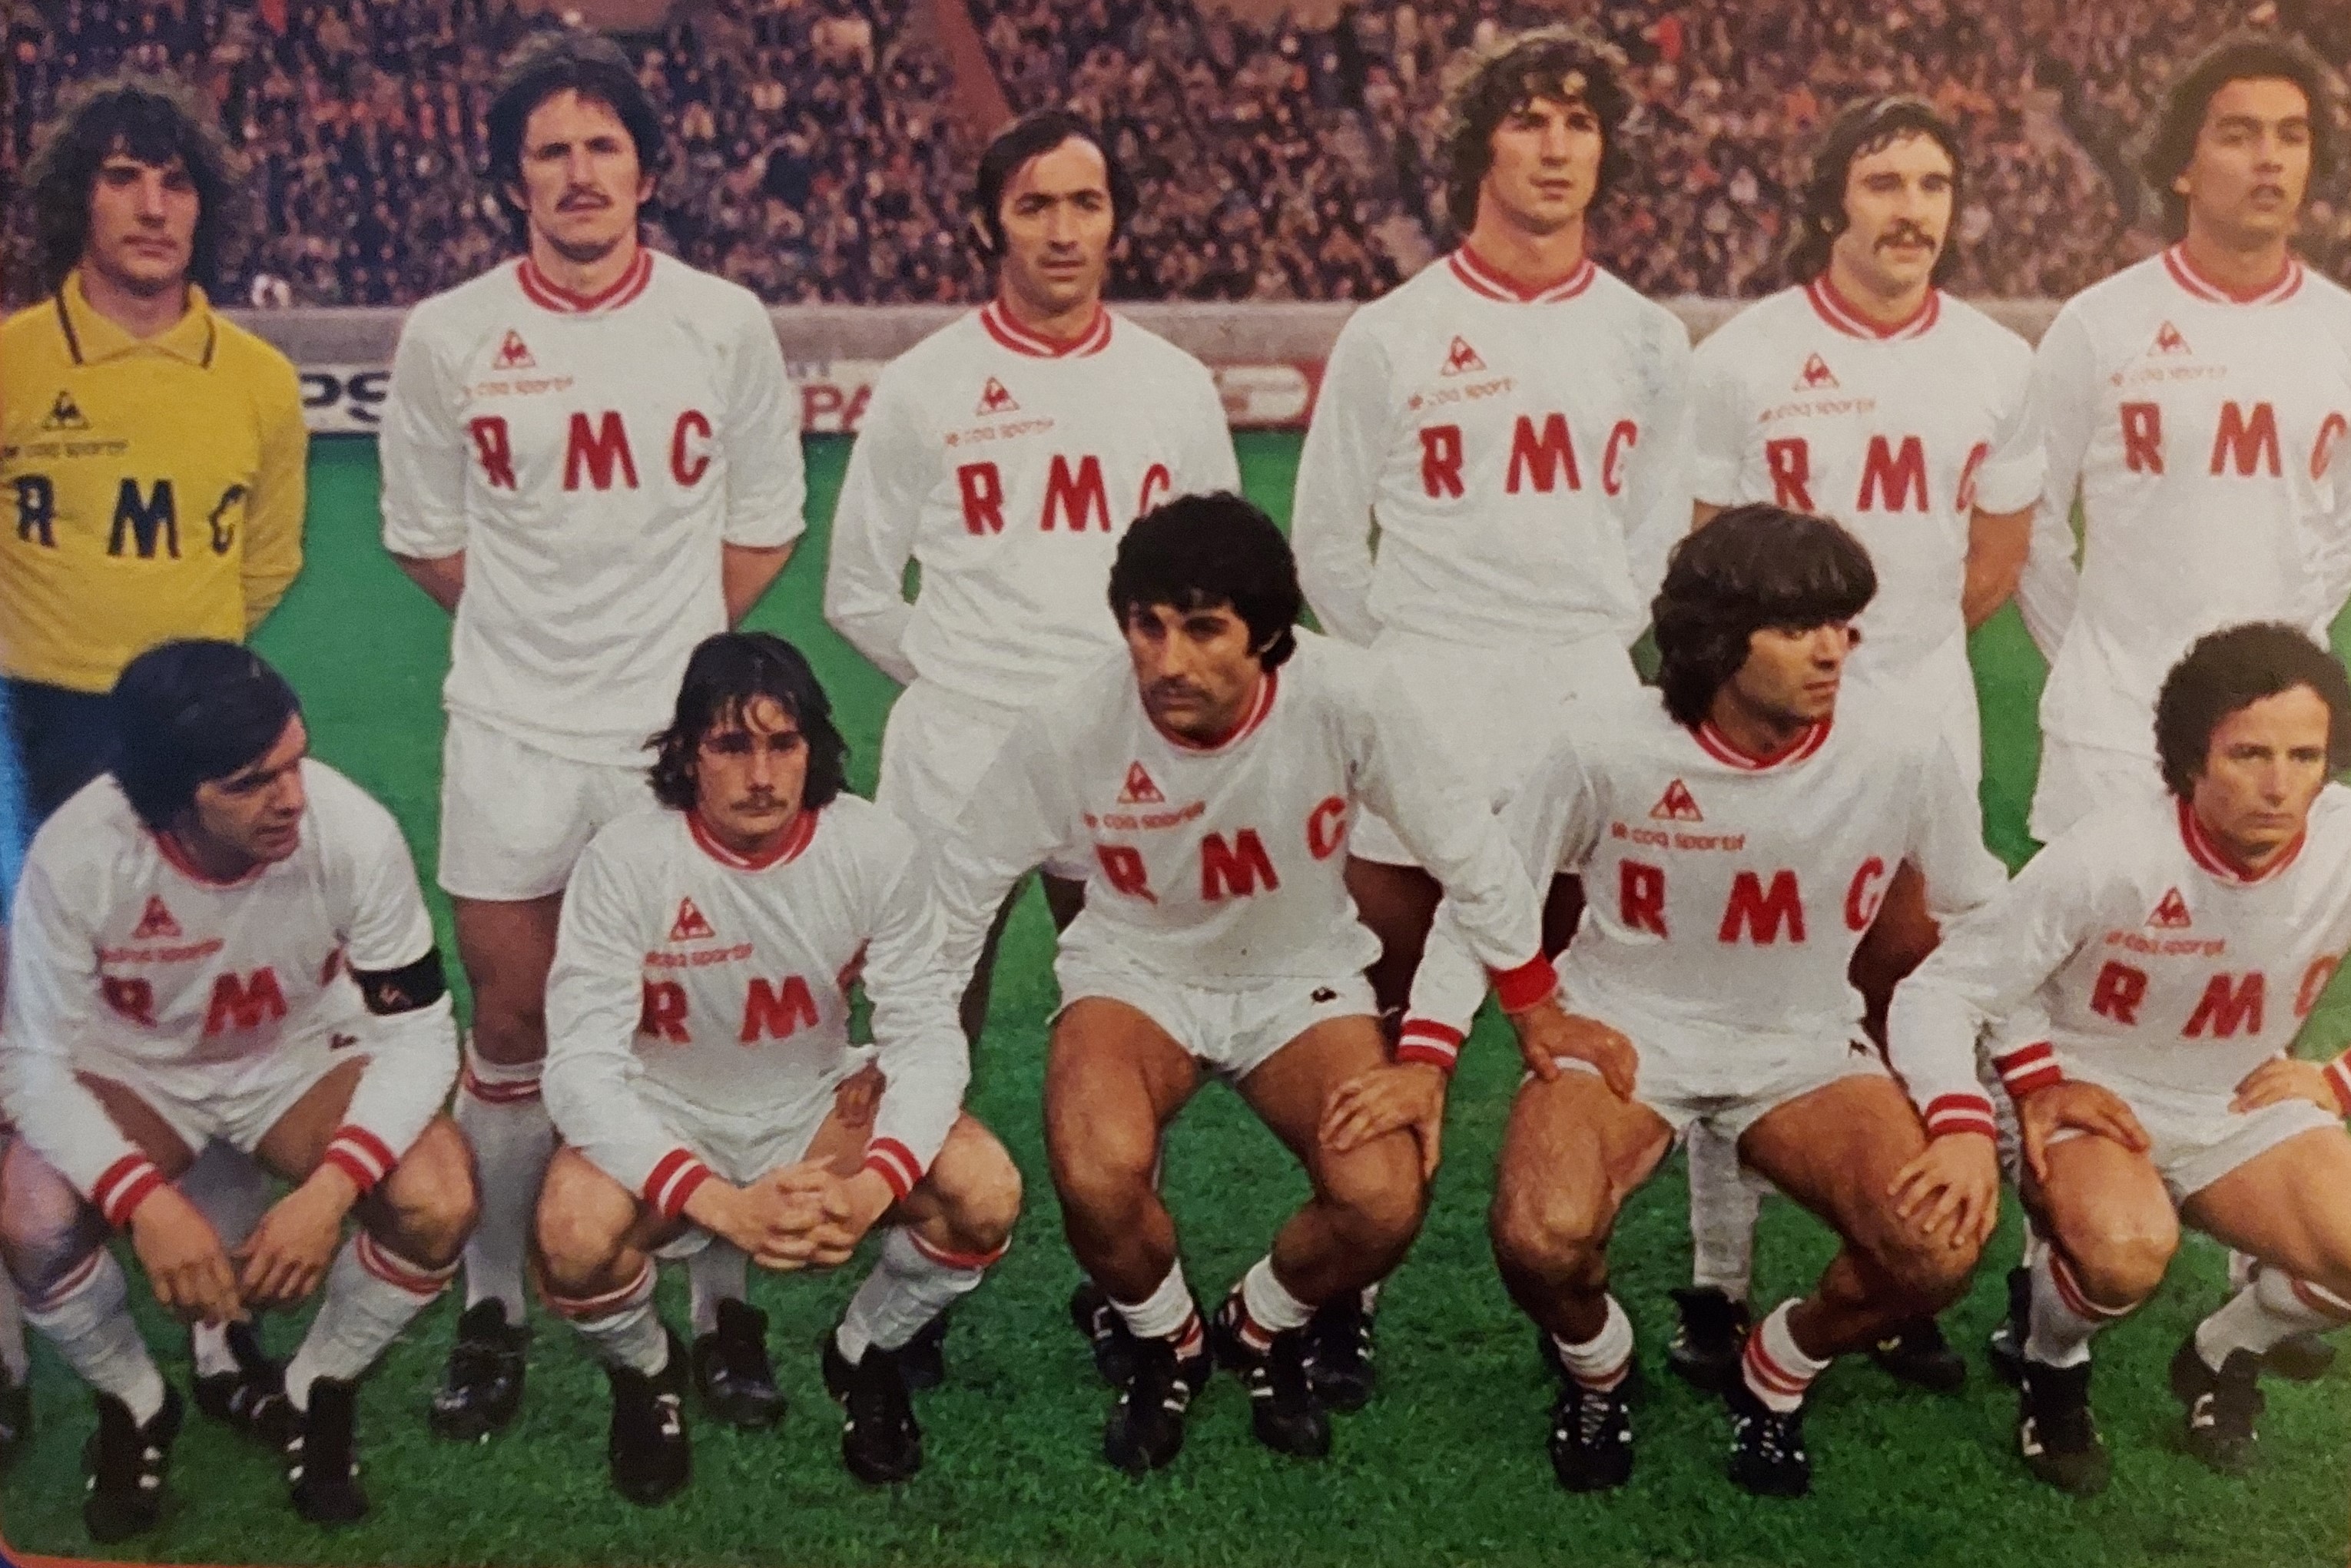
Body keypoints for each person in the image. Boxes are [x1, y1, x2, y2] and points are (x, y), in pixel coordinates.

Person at [930, 493, 1557, 1470]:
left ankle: (1258, 1325)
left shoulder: (1350, 695)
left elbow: (1473, 856)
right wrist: (914, 1054)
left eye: (1202, 628)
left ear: (1267, 634)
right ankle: (1168, 1342)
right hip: (1137, 970)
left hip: (1299, 978)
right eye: (1146, 625)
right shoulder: (1071, 720)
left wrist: (1514, 1013)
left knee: (1382, 1196)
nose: (1166, 660)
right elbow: (962, 887)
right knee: (1095, 1169)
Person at [378, 30, 807, 1440]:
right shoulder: (449, 334)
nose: (578, 173)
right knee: (510, 1029)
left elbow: (766, 522)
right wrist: (539, 631)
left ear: (646, 170)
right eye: (550, 151)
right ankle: (494, 1307)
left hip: (670, 748)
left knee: (695, 1022)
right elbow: (426, 539)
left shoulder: (721, 322)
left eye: (602, 146)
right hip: (509, 731)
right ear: (515, 179)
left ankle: (722, 1307)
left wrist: (667, 653)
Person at [1411, 506, 2006, 1496]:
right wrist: (1432, 1050)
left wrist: (1971, 1111)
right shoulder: (1605, 742)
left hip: (1804, 1045)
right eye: (1797, 627)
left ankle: (1780, 1367)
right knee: (1540, 1235)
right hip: (1627, 1031)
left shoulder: (1900, 747)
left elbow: (1985, 912)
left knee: (1936, 1251)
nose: (1832, 651)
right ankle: (1599, 1366)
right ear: (1717, 638)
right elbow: (1488, 896)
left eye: (1842, 624)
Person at [1289, 24, 1691, 1399]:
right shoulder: (1394, 330)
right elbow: (1327, 543)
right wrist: (1410, 667)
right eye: (1529, 119)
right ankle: (1354, 1281)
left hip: (1583, 693)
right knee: (1390, 1011)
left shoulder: (1649, 336)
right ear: (1480, 146)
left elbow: (1653, 539)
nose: (1557, 145)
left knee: (1567, 1012)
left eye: (1580, 120)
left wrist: (1580, 640)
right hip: (1431, 693)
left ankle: (1561, 1279)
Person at [1673, 94, 2044, 1395]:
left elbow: (1993, 560)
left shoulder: (1999, 362)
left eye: (1934, 185)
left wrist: (1884, 670)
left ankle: (1890, 1265)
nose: (1911, 210)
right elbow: (1706, 552)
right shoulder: (1745, 357)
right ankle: (1716, 1284)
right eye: (1885, 182)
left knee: (1910, 989)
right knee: (1740, 980)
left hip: (1922, 715)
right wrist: (1784, 674)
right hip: (1765, 722)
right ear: (1835, 198)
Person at [2013, 27, 2351, 1384]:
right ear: (2180, 162)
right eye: (2238, 133)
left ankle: (2240, 1242)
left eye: (2292, 137)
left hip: (2269, 740)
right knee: (2078, 1008)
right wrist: (2101, 666)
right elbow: (2033, 524)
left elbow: (2338, 536)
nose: (2269, 160)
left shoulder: (2342, 330)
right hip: (2115, 731)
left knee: (2247, 975)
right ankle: (2051, 1284)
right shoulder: (2100, 324)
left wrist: (2285, 670)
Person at [0, 71, 310, 1464]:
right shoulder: (15, 359)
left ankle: (219, 1334)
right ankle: (11, 1349)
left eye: (175, 180)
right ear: (77, 197)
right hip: (27, 728)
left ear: (205, 207)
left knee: (212, 1024)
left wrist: (185, 699)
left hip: (188, 740)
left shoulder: (256, 379)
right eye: (122, 175)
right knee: (16, 1032)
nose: (151, 204)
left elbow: (265, 564)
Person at [0, 641, 474, 1534]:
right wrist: (145, 1203)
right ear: (171, 797)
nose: (292, 797)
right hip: (135, 1067)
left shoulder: (351, 829)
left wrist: (331, 1190)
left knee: (437, 1199)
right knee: (34, 1221)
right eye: (252, 782)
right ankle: (135, 1401)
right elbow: (31, 1065)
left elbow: (419, 1033)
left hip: (300, 1056)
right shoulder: (79, 853)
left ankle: (318, 1387)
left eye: (294, 760)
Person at [537, 633, 1019, 1498]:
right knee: (573, 1234)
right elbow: (578, 1069)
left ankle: (865, 1352)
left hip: (813, 1109)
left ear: (812, 748)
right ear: (688, 753)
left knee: (984, 1192)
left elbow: (925, 1033)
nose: (761, 775)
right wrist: (719, 1203)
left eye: (782, 743)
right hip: (671, 1110)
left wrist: (871, 1186)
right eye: (731, 745)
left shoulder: (873, 845)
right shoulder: (627, 859)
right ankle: (647, 1374)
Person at [1892, 622, 2351, 1494]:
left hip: (2235, 1101)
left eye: (2305, 756)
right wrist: (2017, 1093)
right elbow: (1942, 989)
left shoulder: (2343, 841)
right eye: (2248, 753)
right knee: (2125, 1249)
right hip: (2089, 1092)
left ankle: (2223, 1350)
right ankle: (2053, 1366)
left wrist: (2337, 1078)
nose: (2279, 784)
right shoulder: (2110, 853)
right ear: (2190, 758)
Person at [824, 108, 1239, 1041]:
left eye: (1086, 204)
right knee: (926, 1007)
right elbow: (855, 589)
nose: (1062, 232)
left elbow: (1215, 580)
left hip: (1123, 734)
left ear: (1115, 221)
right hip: (960, 744)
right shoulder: (925, 382)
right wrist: (964, 670)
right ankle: (922, 1143)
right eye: (1034, 206)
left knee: (1131, 1013)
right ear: (988, 225)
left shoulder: (1174, 384)